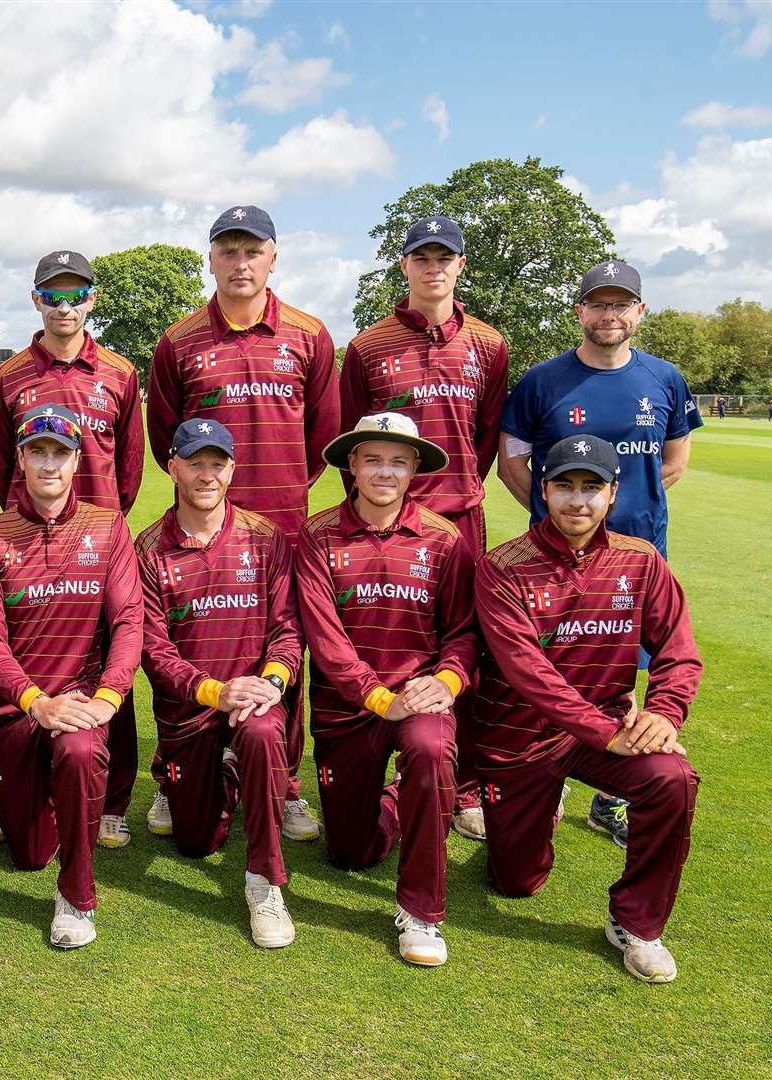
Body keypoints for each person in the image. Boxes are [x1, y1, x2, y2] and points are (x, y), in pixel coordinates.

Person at [474, 434, 703, 983]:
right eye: (565, 487)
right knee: (516, 882)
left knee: (672, 777)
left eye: (592, 488)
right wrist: (608, 733)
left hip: (604, 734)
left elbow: (678, 651)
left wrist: (664, 715)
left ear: (613, 493)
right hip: (520, 738)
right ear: (544, 491)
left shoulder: (641, 561)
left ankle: (636, 924)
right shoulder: (502, 567)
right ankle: (542, 804)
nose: (578, 501)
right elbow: (530, 673)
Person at [146, 204, 340, 844]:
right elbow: (164, 436)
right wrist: (205, 496)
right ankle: (172, 778)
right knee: (185, 644)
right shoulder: (178, 341)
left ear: (274, 256)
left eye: (252, 249)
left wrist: (276, 496)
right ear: (211, 258)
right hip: (198, 524)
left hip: (281, 531)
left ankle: (281, 784)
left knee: (286, 656)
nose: (240, 262)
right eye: (228, 250)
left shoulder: (310, 336)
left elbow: (323, 437)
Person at [498, 259, 702, 847]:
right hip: (554, 555)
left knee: (624, 667)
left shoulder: (665, 379)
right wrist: (552, 515)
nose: (608, 315)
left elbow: (674, 461)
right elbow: (514, 460)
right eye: (597, 303)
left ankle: (614, 794)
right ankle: (553, 770)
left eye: (621, 304)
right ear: (580, 310)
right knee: (552, 659)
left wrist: (615, 521)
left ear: (639, 311)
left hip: (639, 556)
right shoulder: (542, 381)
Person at [336, 214, 507, 841]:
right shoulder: (368, 346)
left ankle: (462, 785)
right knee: (384, 638)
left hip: (458, 518)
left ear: (461, 265)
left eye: (445, 257)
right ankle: (380, 755)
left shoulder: (489, 343)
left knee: (465, 648)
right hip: (386, 520)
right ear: (403, 265)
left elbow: (485, 435)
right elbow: (353, 436)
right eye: (421, 257)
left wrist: (450, 494)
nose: (433, 267)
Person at [296, 413, 480, 965]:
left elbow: (466, 634)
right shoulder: (317, 534)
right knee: (351, 855)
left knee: (428, 749)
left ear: (415, 469)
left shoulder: (445, 540)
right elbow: (326, 643)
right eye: (372, 458)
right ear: (351, 464)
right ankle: (405, 798)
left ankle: (421, 913)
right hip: (349, 709)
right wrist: (380, 698)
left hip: (420, 699)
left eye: (398, 460)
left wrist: (444, 683)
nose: (384, 471)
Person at [0, 404, 141, 949]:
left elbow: (129, 620)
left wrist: (108, 699)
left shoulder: (108, 527)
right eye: (36, 451)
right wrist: (36, 702)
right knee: (28, 855)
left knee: (81, 751)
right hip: (12, 715)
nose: (48, 464)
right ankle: (38, 805)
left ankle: (76, 898)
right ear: (18, 459)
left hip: (82, 705)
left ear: (76, 460)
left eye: (59, 453)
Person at [0, 250, 146, 849]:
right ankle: (17, 791)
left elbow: (129, 468)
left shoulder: (121, 372)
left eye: (75, 294)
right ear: (35, 301)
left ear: (92, 299)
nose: (64, 306)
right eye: (52, 295)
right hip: (29, 538)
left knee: (110, 661)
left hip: (100, 539)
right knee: (26, 654)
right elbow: (5, 463)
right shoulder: (9, 377)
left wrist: (104, 525)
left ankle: (111, 799)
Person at [137, 418, 301, 948]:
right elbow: (154, 648)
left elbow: (286, 629)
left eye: (217, 462)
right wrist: (214, 691)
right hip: (191, 711)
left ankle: (265, 882)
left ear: (233, 467)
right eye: (195, 462)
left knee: (260, 733)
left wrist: (270, 683)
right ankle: (228, 776)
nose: (207, 474)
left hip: (256, 701)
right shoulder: (148, 548)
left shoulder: (265, 537)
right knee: (195, 842)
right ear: (172, 466)